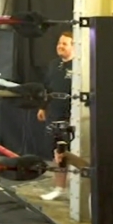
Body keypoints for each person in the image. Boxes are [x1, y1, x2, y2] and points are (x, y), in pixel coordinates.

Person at [39, 31, 75, 201]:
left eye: (64, 44)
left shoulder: (81, 66)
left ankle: (80, 189)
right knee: (58, 152)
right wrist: (42, 107)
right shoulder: (54, 65)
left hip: (73, 114)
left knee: (74, 152)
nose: (60, 46)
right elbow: (47, 87)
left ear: (74, 46)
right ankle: (59, 188)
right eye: (59, 43)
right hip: (54, 112)